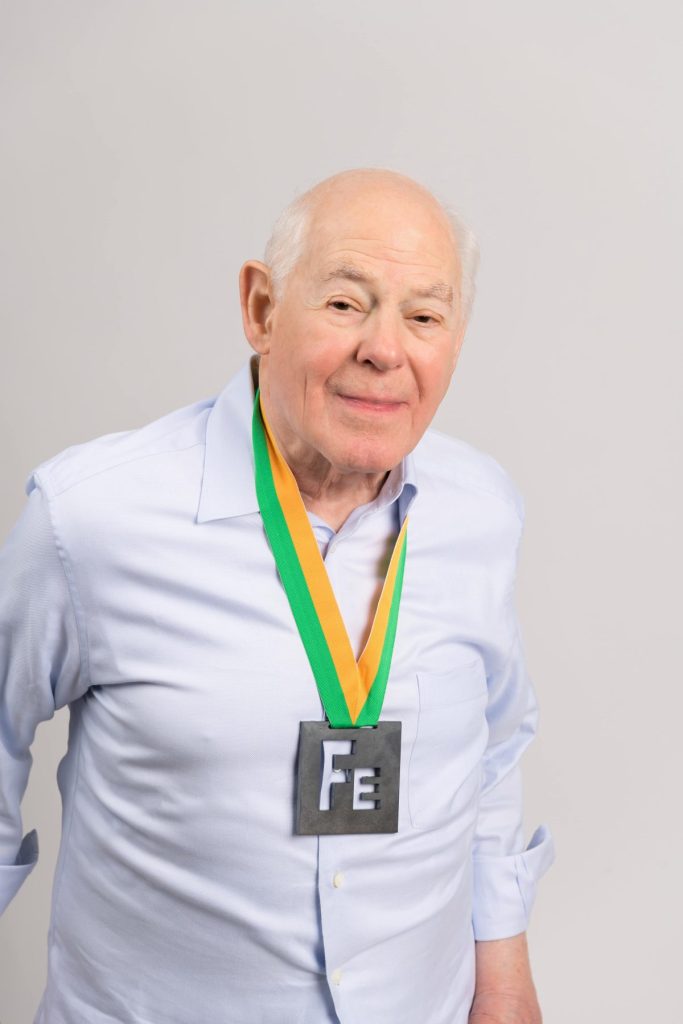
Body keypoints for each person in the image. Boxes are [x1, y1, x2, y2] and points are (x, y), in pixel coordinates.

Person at [0, 168, 554, 1024]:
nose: (384, 349)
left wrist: (506, 987)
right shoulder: (92, 518)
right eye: (345, 303)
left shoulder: (481, 511)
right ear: (261, 309)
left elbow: (489, 754)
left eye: (424, 317)